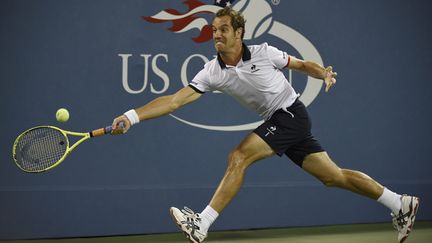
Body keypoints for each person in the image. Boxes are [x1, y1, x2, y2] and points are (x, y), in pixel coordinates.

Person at [112, 7, 419, 243]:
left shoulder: (264, 52)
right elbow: (175, 100)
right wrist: (132, 115)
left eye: (222, 30)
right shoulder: (211, 71)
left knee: (238, 156)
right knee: (333, 176)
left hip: (290, 115)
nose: (216, 35)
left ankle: (201, 224)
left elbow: (300, 65)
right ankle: (400, 203)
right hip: (280, 121)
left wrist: (322, 72)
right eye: (213, 30)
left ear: (239, 32)